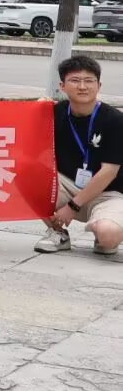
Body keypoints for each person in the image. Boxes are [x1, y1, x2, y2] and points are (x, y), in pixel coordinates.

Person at [35, 55, 123, 259]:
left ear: (99, 85)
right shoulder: (54, 113)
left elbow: (109, 172)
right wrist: (36, 109)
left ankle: (103, 230)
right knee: (27, 176)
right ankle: (58, 234)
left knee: (108, 236)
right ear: (62, 86)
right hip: (69, 185)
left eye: (89, 81)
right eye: (75, 80)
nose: (82, 86)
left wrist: (72, 207)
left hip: (109, 193)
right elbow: (22, 136)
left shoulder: (115, 120)